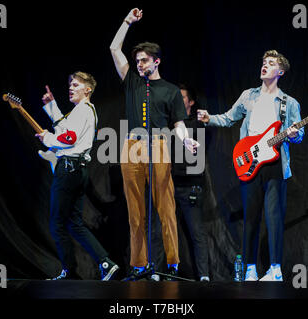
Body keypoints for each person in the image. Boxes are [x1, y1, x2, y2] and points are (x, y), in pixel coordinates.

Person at [198, 50, 304, 281]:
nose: (265, 65)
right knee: (251, 216)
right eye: (264, 62)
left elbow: (299, 133)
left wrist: (294, 134)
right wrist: (209, 118)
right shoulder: (248, 96)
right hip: (250, 161)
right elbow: (228, 117)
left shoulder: (289, 103)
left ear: (281, 71)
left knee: (274, 216)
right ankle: (249, 268)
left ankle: (275, 269)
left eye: (271, 63)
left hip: (275, 164)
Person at [109, 8, 199, 281]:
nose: (139, 64)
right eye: (137, 60)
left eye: (145, 60)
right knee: (135, 212)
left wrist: (187, 141)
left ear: (157, 62)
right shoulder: (133, 82)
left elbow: (178, 125)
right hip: (132, 145)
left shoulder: (171, 91)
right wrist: (127, 21)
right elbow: (114, 47)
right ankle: (139, 265)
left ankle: (172, 264)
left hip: (159, 145)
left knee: (165, 207)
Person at [36, 71, 119, 280]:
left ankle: (69, 271)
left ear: (87, 89)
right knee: (74, 223)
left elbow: (68, 137)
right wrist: (52, 107)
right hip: (78, 171)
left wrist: (48, 138)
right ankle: (106, 263)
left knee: (57, 222)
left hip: (69, 170)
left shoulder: (82, 111)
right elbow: (66, 128)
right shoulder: (84, 111)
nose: (70, 88)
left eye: (75, 84)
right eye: (70, 85)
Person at [173, 84, 210, 281]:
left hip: (191, 186)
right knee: (165, 231)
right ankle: (163, 273)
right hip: (170, 184)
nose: (178, 100)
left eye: (183, 97)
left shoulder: (197, 124)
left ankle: (203, 275)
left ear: (191, 102)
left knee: (197, 232)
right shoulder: (171, 122)